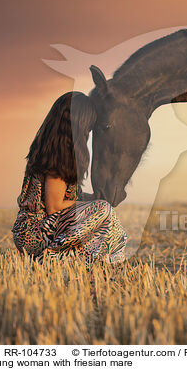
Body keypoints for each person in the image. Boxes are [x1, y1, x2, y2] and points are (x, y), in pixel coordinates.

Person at [12, 91, 127, 264]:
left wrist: (95, 199)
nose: (88, 134)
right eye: (89, 127)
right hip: (35, 233)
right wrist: (97, 205)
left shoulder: (51, 149)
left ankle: (95, 262)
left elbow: (69, 200)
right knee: (103, 210)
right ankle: (54, 259)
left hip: (36, 229)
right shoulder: (59, 155)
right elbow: (55, 206)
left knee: (102, 209)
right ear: (81, 124)